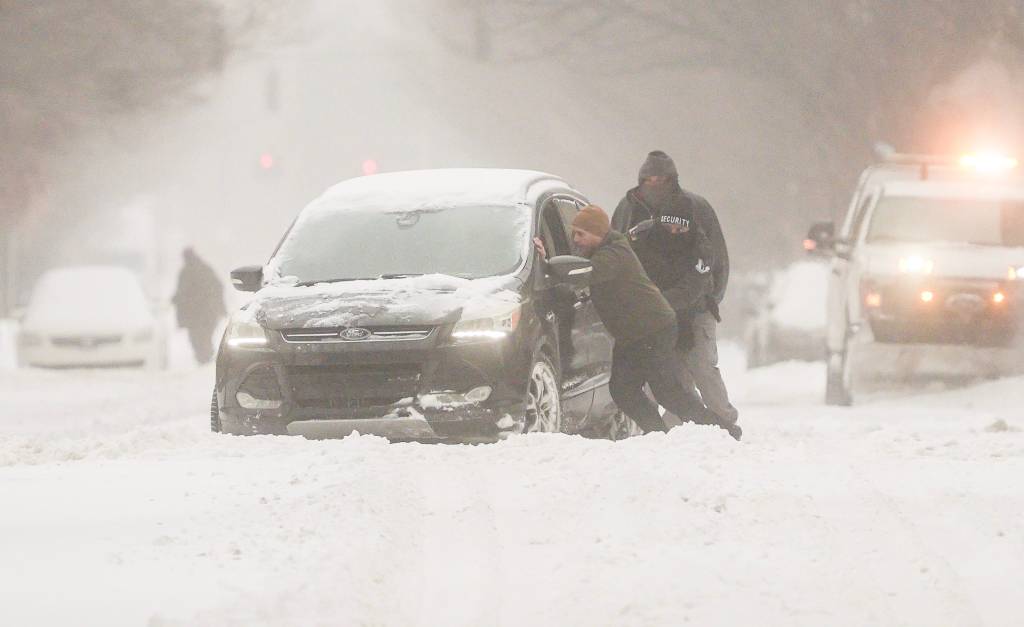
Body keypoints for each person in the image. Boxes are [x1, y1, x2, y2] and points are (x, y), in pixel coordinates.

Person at [535, 205, 739, 439]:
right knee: (623, 390)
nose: (576, 239)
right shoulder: (600, 250)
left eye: (581, 234)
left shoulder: (614, 254)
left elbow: (583, 274)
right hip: (632, 335)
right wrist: (545, 258)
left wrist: (547, 266)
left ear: (598, 233)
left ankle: (724, 431)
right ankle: (658, 436)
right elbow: (575, 264)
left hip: (653, 329)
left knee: (668, 393)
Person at [611, 151, 739, 426]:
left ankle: (722, 423)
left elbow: (716, 258)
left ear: (673, 180)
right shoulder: (628, 209)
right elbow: (617, 253)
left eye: (662, 179)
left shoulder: (696, 207)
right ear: (641, 180)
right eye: (650, 179)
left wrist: (710, 297)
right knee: (668, 376)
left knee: (703, 368)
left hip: (695, 307)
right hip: (651, 314)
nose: (655, 184)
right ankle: (677, 428)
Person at [171, 247, 226, 364]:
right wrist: (219, 307)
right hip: (208, 313)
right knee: (205, 337)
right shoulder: (205, 269)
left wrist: (176, 299)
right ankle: (206, 358)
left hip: (194, 315)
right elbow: (218, 287)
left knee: (197, 338)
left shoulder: (186, 272)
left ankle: (203, 358)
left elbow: (182, 292)